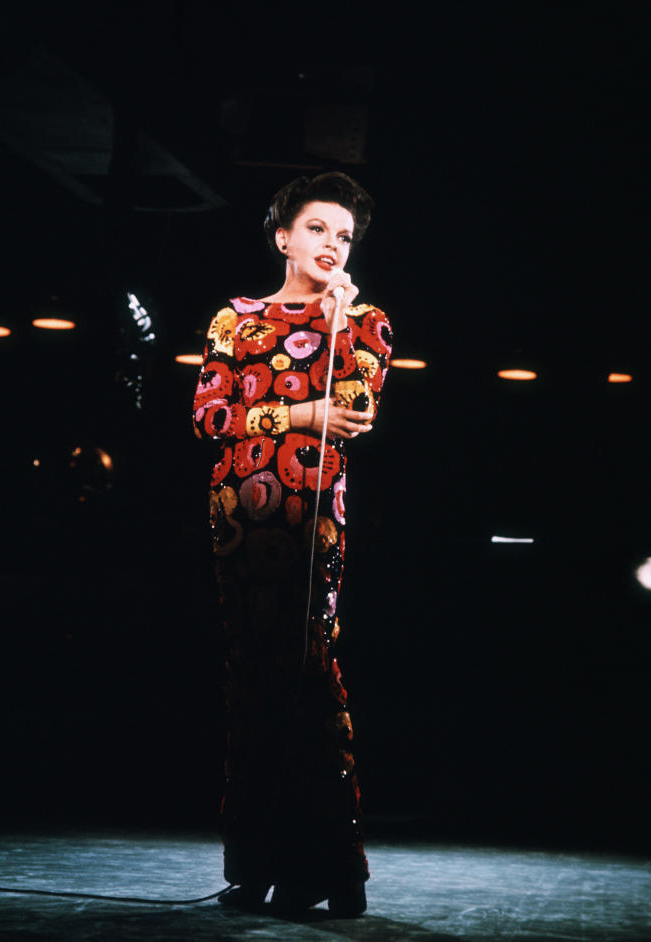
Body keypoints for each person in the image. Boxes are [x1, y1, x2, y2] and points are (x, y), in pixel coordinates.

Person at [191, 172, 392, 917]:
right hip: (240, 516)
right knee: (252, 676)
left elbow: (356, 412)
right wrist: (304, 409)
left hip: (314, 518)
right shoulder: (234, 320)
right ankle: (253, 867)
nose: (332, 244)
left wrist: (335, 333)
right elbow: (211, 418)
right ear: (283, 237)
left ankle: (329, 868)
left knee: (309, 673)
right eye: (318, 229)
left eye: (344, 236)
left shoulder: (364, 320)